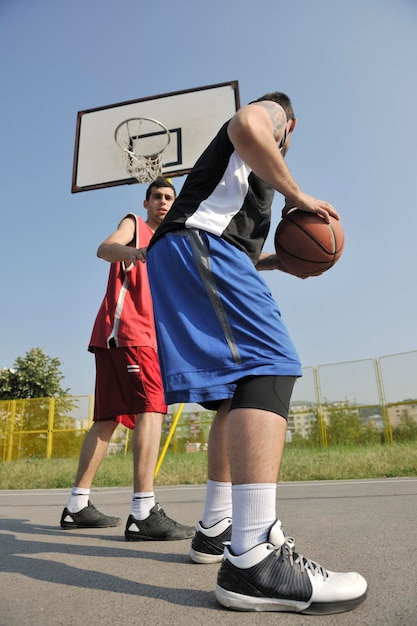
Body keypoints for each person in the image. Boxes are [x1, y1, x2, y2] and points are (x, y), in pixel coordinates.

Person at [144, 94, 368, 613]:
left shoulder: (243, 180)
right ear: (291, 124)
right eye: (288, 133)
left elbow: (233, 235)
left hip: (205, 250)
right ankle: (256, 556)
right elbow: (247, 121)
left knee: (234, 394)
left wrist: (276, 262)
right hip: (198, 246)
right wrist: (299, 196)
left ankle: (217, 527)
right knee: (272, 362)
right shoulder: (269, 117)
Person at [60, 177, 194, 542]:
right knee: (152, 407)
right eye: (157, 197)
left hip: (118, 339)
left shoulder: (173, 243)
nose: (163, 202)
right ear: (147, 201)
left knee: (107, 419)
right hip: (130, 334)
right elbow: (105, 248)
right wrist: (131, 252)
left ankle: (76, 505)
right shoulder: (135, 225)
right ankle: (144, 511)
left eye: (169, 198)